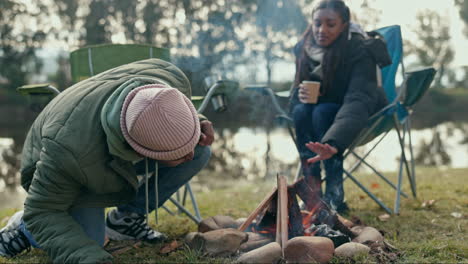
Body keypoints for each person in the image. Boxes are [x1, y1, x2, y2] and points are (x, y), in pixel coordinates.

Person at [0, 58, 215, 263]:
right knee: (89, 241)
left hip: (103, 148)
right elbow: (43, 210)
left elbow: (158, 112)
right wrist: (89, 259)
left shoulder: (166, 77)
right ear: (139, 150)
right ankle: (23, 228)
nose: (187, 156)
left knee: (200, 151)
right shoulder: (68, 150)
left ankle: (125, 220)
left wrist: (196, 121)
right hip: (60, 162)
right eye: (177, 154)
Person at [290, 0, 389, 213]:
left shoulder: (360, 48)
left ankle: (335, 197)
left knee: (321, 112)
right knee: (301, 111)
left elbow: (359, 98)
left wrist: (334, 142)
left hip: (360, 114)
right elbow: (294, 96)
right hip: (323, 112)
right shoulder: (305, 48)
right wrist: (299, 95)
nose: (321, 30)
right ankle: (312, 196)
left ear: (344, 25)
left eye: (330, 24)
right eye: (317, 23)